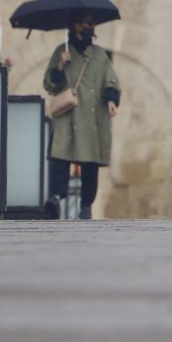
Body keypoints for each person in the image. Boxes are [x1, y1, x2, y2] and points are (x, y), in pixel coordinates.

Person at [42, 11, 120, 220]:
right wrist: (60, 66)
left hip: (92, 117)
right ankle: (56, 199)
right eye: (86, 24)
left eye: (92, 24)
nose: (90, 28)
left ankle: (86, 206)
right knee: (60, 156)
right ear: (75, 25)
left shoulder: (99, 55)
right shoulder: (61, 51)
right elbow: (49, 84)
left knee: (90, 162)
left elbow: (110, 81)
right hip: (68, 113)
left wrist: (112, 100)